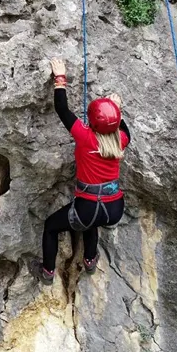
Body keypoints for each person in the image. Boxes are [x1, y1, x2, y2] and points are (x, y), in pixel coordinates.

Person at [34, 58, 131, 285]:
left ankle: (48, 272)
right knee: (92, 222)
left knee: (51, 226)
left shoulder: (85, 137)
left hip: (88, 206)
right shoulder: (121, 140)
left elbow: (62, 109)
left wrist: (60, 77)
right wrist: (116, 108)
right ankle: (89, 260)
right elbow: (121, 127)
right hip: (114, 208)